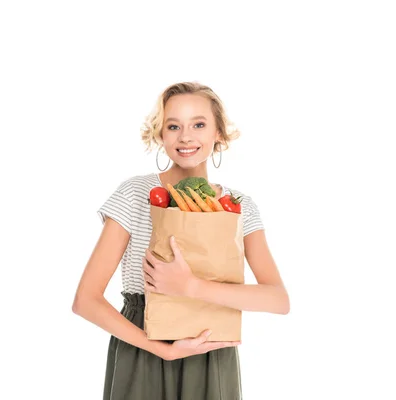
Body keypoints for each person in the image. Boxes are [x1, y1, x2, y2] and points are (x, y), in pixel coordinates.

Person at [72, 81, 290, 399]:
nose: (186, 137)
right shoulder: (135, 194)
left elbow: (278, 300)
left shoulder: (239, 205)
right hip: (141, 346)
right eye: (173, 126)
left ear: (219, 132)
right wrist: (162, 350)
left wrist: (191, 287)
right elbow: (85, 300)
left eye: (199, 124)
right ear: (161, 134)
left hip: (211, 351)